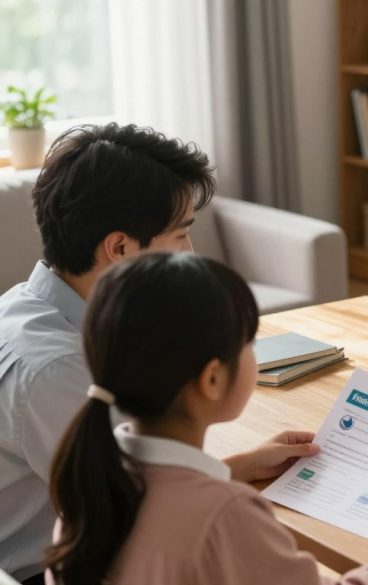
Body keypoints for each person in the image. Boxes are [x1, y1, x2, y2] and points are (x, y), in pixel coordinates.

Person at [44, 253, 368, 585]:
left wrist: (239, 465)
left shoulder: (89, 481)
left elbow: (166, 503)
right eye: (249, 342)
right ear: (211, 378)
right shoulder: (226, 518)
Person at [0, 123, 218, 583]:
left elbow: (132, 481)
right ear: (119, 247)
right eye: (181, 235)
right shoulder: (56, 369)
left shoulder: (30, 305)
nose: (191, 251)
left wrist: (235, 466)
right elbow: (143, 512)